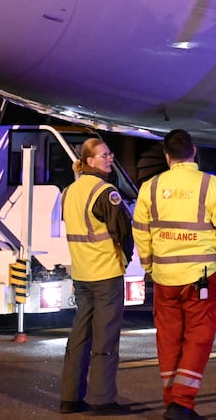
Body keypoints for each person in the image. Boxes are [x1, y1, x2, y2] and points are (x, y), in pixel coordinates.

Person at [133, 129, 216, 420]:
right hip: (200, 278)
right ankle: (181, 403)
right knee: (198, 338)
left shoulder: (150, 188)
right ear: (194, 152)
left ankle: (172, 400)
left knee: (168, 340)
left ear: (167, 157)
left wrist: (149, 265)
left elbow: (140, 231)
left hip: (165, 278)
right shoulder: (212, 186)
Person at [58, 137, 134, 415]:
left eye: (110, 153)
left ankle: (70, 398)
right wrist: (125, 258)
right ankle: (101, 399)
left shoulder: (69, 191)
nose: (109, 158)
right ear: (89, 161)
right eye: (103, 155)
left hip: (81, 273)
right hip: (105, 274)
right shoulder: (105, 192)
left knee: (79, 338)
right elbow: (123, 231)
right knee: (105, 340)